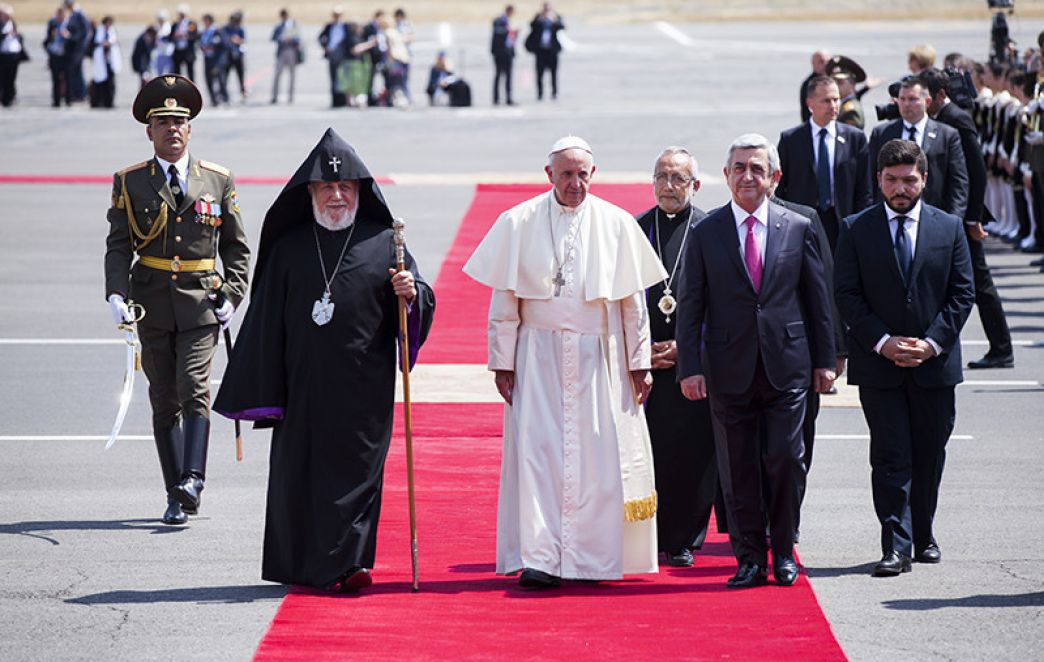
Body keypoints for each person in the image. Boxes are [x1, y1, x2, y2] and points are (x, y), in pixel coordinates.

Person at [214, 128, 435, 593]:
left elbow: (417, 299)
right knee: (301, 476)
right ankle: (300, 564)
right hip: (304, 385)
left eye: (345, 187)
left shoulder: (383, 243)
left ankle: (351, 565)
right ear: (310, 192)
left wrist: (411, 295)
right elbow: (265, 320)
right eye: (328, 187)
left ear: (359, 192)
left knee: (358, 476)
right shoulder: (290, 247)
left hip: (364, 388)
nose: (337, 195)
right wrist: (263, 383)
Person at [463, 136, 667, 588]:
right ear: (549, 175)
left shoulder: (616, 224)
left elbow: (633, 304)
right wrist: (502, 362)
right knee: (538, 456)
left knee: (597, 457)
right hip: (537, 357)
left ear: (594, 175)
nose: (576, 184)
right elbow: (505, 302)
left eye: (583, 175)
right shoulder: (518, 222)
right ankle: (541, 558)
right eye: (567, 175)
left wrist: (639, 362)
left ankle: (592, 558)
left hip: (599, 356)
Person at [676, 133, 836, 589]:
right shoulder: (705, 232)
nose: (748, 176)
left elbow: (817, 300)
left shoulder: (798, 226)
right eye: (739, 168)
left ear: (774, 177)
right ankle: (749, 558)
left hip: (788, 364)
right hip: (728, 368)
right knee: (738, 466)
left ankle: (783, 551)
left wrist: (826, 360)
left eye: (757, 169)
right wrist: (690, 367)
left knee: (785, 458)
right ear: (726, 176)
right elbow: (691, 304)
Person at [104, 74, 250, 525]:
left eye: (180, 122)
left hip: (201, 302)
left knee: (193, 387)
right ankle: (176, 494)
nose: (172, 129)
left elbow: (237, 248)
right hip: (150, 303)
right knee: (164, 398)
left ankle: (193, 479)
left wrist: (232, 294)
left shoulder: (217, 180)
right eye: (163, 122)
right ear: (149, 131)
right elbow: (119, 245)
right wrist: (116, 292)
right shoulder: (130, 182)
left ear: (190, 129)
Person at [834, 139, 974, 577]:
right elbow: (846, 294)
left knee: (929, 452)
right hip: (880, 366)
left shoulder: (949, 228)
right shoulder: (855, 228)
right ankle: (895, 544)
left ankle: (924, 533)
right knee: (891, 455)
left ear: (924, 179)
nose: (900, 188)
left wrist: (931, 343)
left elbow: (962, 293)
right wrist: (882, 341)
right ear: (878, 180)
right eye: (891, 180)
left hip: (935, 366)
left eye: (909, 180)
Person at [634, 147, 716, 568]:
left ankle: (684, 537)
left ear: (695, 185)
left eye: (678, 178)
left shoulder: (711, 230)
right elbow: (619, 298)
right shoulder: (634, 230)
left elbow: (724, 303)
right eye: (661, 177)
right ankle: (651, 533)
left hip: (694, 360)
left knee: (693, 452)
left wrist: (688, 347)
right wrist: (640, 348)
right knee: (650, 450)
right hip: (645, 361)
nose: (668, 186)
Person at [920, 67, 1015, 369]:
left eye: (925, 96)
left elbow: (975, 171)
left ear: (939, 95)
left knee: (979, 283)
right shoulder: (940, 118)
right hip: (952, 215)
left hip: (963, 219)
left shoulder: (956, 119)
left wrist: (973, 219)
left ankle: (1001, 348)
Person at [777, 74, 873, 252]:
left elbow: (864, 190)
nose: (834, 106)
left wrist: (859, 225)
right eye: (826, 100)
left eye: (836, 99)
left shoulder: (855, 139)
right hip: (802, 224)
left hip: (842, 223)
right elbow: (780, 187)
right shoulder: (791, 140)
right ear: (810, 103)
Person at [869, 77, 969, 220]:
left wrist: (953, 220)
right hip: (889, 215)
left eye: (912, 99)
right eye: (902, 99)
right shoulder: (882, 133)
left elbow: (958, 182)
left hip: (934, 216)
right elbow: (870, 178)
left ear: (927, 101)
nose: (906, 104)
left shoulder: (947, 135)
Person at [525, 3, 564, 101]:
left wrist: (553, 20)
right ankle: (540, 93)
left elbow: (562, 27)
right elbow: (532, 25)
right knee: (539, 74)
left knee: (553, 73)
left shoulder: (555, 17)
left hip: (552, 50)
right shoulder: (539, 17)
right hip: (541, 51)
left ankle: (554, 93)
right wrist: (540, 19)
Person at [319, 6, 349, 108]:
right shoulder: (329, 26)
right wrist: (325, 47)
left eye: (338, 15)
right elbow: (320, 37)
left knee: (343, 78)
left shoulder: (345, 26)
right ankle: (335, 101)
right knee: (333, 78)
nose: (337, 17)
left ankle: (343, 100)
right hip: (332, 54)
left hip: (342, 55)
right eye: (335, 15)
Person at [89, 15, 120, 109]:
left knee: (111, 83)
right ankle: (99, 101)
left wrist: (109, 43)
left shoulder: (112, 31)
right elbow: (93, 44)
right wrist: (102, 44)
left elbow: (114, 42)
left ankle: (109, 102)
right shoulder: (98, 31)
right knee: (100, 82)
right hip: (101, 60)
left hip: (110, 61)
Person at [270, 8, 300, 104]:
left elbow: (298, 38)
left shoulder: (293, 24)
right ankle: (274, 96)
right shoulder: (279, 26)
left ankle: (291, 96)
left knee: (292, 74)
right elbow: (273, 37)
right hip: (282, 51)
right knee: (278, 74)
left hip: (291, 51)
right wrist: (281, 38)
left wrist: (291, 39)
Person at [62, 0, 90, 102]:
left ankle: (80, 94)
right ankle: (77, 93)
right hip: (74, 48)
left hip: (78, 48)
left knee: (76, 71)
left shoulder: (80, 15)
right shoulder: (74, 14)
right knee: (76, 71)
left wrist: (71, 37)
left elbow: (85, 32)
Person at [44, 6, 71, 107]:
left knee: (68, 79)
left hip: (66, 56)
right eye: (58, 15)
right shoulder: (53, 25)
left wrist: (67, 37)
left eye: (62, 15)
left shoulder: (70, 25)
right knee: (55, 79)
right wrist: (52, 37)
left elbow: (76, 40)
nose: (60, 17)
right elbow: (46, 41)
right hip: (55, 55)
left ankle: (68, 100)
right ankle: (56, 101)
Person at [0, 4, 26, 108]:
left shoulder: (12, 23)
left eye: (10, 15)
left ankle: (9, 98)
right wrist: (5, 34)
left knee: (11, 78)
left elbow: (18, 36)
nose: (8, 17)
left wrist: (18, 35)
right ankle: (3, 97)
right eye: (6, 15)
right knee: (2, 77)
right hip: (2, 55)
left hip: (14, 54)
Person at [198, 14, 227, 106]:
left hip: (216, 60)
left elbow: (222, 44)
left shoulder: (216, 31)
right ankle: (213, 99)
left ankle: (224, 97)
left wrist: (212, 46)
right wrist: (203, 47)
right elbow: (200, 43)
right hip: (207, 58)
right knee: (208, 80)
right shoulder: (203, 32)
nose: (204, 22)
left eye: (205, 20)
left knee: (219, 79)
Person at [491, 5, 516, 106]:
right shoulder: (499, 20)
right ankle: (496, 98)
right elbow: (498, 31)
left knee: (508, 76)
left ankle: (508, 98)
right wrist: (508, 29)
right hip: (499, 52)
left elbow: (511, 39)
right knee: (498, 75)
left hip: (508, 52)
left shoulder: (509, 21)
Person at [221, 11, 246, 103]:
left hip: (238, 56)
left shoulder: (240, 29)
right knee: (225, 76)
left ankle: (243, 92)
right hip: (228, 56)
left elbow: (242, 40)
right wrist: (233, 39)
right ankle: (223, 94)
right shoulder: (225, 29)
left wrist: (236, 40)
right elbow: (225, 40)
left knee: (240, 75)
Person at [799, 49, 830, 123]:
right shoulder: (809, 84)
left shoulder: (832, 80)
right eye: (822, 61)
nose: (826, 64)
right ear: (813, 64)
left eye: (828, 62)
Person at [171, 4, 197, 82]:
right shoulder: (175, 24)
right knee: (176, 73)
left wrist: (185, 35)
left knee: (190, 72)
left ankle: (192, 86)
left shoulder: (191, 24)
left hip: (188, 52)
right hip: (178, 51)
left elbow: (194, 36)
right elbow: (170, 37)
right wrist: (175, 36)